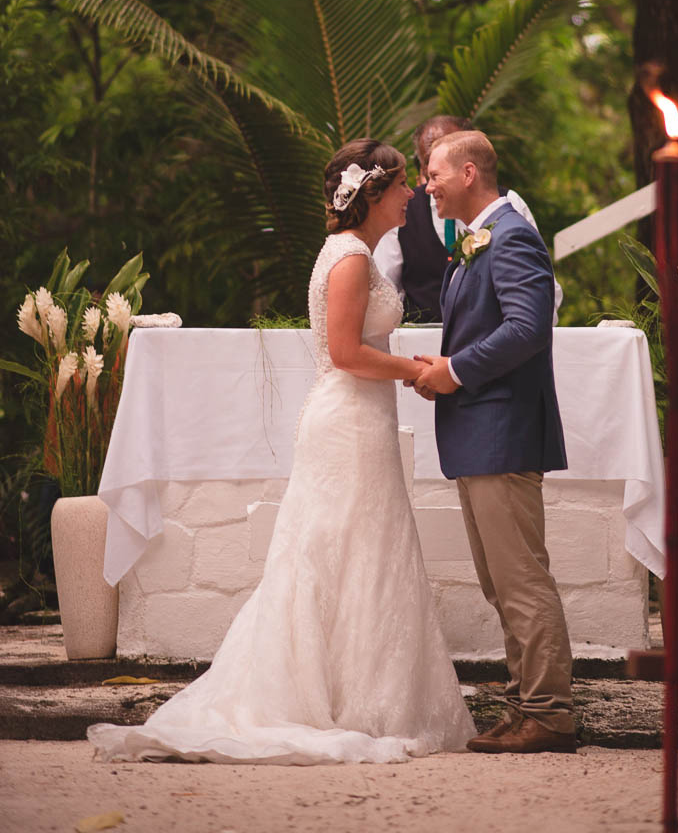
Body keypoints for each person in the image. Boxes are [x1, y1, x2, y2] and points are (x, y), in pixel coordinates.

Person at [88, 139, 473, 765]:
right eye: (402, 185)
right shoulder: (350, 258)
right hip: (347, 420)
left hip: (358, 418)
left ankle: (363, 695)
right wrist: (416, 368)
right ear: (373, 195)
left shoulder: (354, 252)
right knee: (341, 551)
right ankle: (328, 700)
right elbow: (347, 353)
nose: (411, 195)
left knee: (362, 552)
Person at [412, 130, 576, 755]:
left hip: (503, 433)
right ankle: (525, 706)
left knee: (522, 581)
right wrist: (445, 366)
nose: (428, 185)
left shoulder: (509, 235)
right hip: (482, 432)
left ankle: (551, 716)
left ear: (469, 171)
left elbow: (529, 330)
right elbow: (491, 327)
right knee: (500, 583)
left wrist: (454, 371)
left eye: (434, 174)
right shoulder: (475, 240)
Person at [373, 115, 562, 323]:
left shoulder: (509, 205)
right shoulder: (404, 208)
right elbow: (385, 290)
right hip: (418, 349)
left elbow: (540, 295)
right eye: (430, 163)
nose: (430, 185)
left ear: (468, 168)